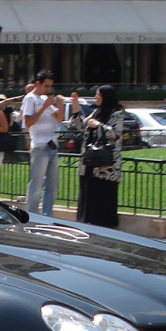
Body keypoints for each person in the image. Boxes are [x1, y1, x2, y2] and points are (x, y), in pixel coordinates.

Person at [69, 84, 131, 228]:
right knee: (89, 192)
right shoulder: (96, 111)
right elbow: (81, 126)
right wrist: (76, 108)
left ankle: (104, 225)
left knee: (103, 194)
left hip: (106, 165)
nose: (96, 97)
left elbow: (115, 134)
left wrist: (98, 125)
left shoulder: (117, 113)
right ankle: (87, 222)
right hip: (90, 161)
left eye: (98, 95)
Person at [21, 69, 64, 215]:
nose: (48, 89)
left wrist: (60, 104)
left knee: (52, 187)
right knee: (36, 186)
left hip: (52, 145)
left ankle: (47, 216)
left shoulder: (44, 99)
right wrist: (43, 108)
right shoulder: (30, 99)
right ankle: (32, 216)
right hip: (40, 147)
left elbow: (59, 118)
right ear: (37, 83)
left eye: (50, 86)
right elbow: (27, 123)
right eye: (46, 86)